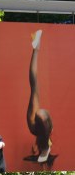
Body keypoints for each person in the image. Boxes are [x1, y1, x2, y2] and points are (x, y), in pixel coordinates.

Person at [27, 30, 53, 163]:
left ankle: (36, 48)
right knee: (34, 85)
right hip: (41, 130)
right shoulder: (40, 124)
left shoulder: (34, 125)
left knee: (34, 85)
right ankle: (36, 48)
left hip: (36, 127)